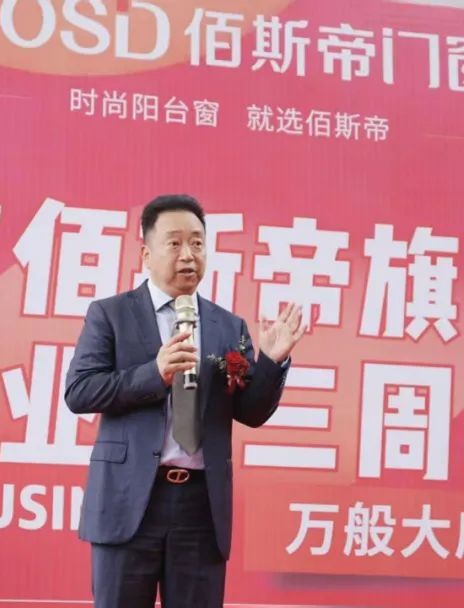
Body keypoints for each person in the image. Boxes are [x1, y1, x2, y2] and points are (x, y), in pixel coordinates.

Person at [65, 194, 306, 607]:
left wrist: (271, 361)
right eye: (174, 243)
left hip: (200, 506)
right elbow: (80, 391)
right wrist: (154, 373)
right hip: (129, 501)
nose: (188, 254)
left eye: (197, 243)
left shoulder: (227, 326)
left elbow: (251, 412)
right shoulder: (110, 314)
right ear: (146, 254)